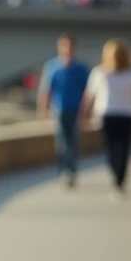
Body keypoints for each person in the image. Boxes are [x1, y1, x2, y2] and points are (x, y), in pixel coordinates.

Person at [83, 39, 131, 198]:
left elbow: (89, 97)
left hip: (109, 115)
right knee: (123, 148)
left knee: (111, 148)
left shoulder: (100, 73)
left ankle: (117, 178)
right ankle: (120, 179)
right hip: (125, 115)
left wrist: (85, 114)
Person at [37, 34, 92, 186]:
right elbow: (46, 91)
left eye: (70, 45)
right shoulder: (52, 67)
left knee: (73, 142)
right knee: (62, 142)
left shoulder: (81, 68)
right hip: (59, 109)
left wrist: (86, 112)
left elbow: (88, 92)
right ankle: (64, 170)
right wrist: (44, 111)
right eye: (64, 45)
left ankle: (72, 171)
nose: (67, 48)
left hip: (76, 110)